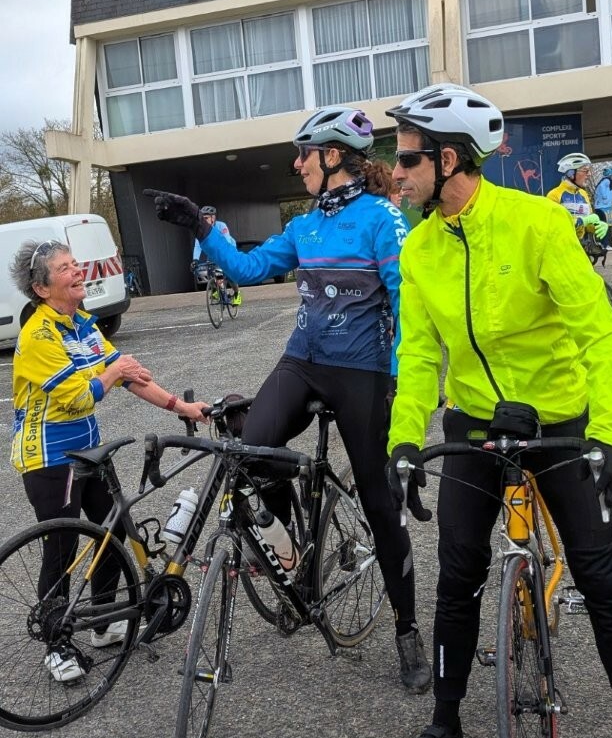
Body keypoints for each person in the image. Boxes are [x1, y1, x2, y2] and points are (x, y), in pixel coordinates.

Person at [385, 83, 612, 738]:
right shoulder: (419, 248)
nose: (395, 172)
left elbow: (600, 334)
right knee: (457, 573)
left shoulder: (537, 223)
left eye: (407, 159)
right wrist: (404, 441)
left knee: (601, 575)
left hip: (558, 421)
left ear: (448, 160)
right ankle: (446, 719)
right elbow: (419, 354)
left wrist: (609, 435)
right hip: (475, 422)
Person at [144, 105, 432, 694]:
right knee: (249, 453)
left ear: (333, 156)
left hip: (361, 371)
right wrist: (199, 227)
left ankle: (407, 629)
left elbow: (407, 302)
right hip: (303, 361)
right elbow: (248, 269)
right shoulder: (305, 225)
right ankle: (295, 547)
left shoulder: (382, 218)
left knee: (380, 503)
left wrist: (401, 380)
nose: (297, 165)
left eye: (303, 154)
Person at [8, 239, 209, 682]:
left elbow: (131, 378)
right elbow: (81, 397)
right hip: (48, 457)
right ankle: (55, 643)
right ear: (42, 288)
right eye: (66, 267)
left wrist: (183, 407)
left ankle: (102, 621)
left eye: (75, 263)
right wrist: (115, 371)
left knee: (111, 531)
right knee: (61, 546)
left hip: (88, 451)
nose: (78, 270)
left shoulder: (82, 324)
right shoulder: (38, 336)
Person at [546, 151, 612, 251]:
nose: (589, 174)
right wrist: (582, 221)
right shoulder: (554, 195)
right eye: (585, 170)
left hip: (581, 248)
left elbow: (588, 225)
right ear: (571, 173)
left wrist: (598, 225)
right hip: (561, 249)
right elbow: (554, 226)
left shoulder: (583, 194)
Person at [192, 205, 241, 306]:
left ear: (213, 218)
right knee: (212, 272)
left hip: (228, 249)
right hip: (213, 252)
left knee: (229, 275)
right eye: (202, 218)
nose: (203, 220)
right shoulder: (200, 229)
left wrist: (224, 257)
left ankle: (237, 294)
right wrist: (195, 260)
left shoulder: (221, 226)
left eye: (206, 218)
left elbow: (227, 240)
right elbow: (197, 245)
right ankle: (216, 290)